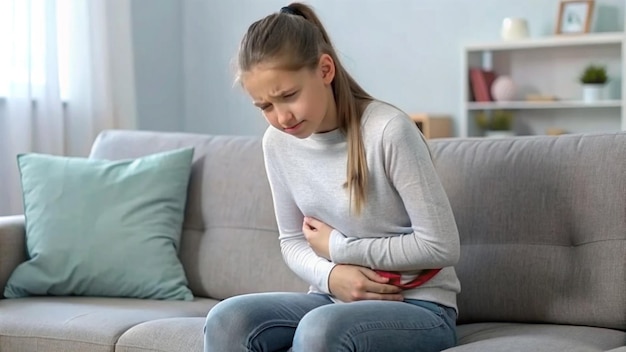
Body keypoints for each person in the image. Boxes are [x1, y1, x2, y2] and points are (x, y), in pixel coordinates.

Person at [204, 3, 461, 351]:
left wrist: (340, 249)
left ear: (325, 70)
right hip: (331, 298)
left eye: (288, 96)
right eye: (265, 106)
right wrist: (331, 276)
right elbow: (291, 241)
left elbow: (440, 245)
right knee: (226, 320)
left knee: (320, 330)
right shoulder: (277, 144)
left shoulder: (388, 131)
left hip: (417, 305)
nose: (281, 117)